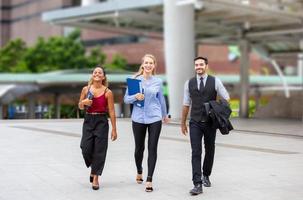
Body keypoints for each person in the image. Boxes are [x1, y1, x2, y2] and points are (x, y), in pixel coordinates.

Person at [181, 56, 230, 196]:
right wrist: (183, 122)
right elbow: (186, 104)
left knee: (210, 149)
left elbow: (226, 98)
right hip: (194, 121)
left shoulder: (215, 81)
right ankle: (197, 183)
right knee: (196, 152)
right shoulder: (189, 83)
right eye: (196, 65)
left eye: (201, 64)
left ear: (206, 66)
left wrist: (216, 107)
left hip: (210, 122)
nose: (198, 67)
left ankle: (206, 175)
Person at [124, 54, 169, 192]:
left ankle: (149, 179)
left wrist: (164, 114)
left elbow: (161, 99)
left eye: (151, 63)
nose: (149, 65)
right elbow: (126, 99)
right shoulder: (134, 80)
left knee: (152, 147)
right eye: (146, 63)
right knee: (139, 148)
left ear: (154, 65)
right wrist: (135, 97)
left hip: (154, 117)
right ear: (142, 65)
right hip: (138, 118)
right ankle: (139, 170)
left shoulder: (158, 81)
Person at [78, 65, 118, 190]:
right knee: (85, 147)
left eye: (100, 73)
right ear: (92, 75)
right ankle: (93, 167)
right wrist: (83, 103)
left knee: (100, 150)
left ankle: (95, 177)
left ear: (103, 76)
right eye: (95, 72)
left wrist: (114, 129)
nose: (97, 74)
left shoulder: (108, 92)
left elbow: (111, 111)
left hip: (101, 121)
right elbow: (79, 106)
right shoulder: (86, 89)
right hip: (88, 120)